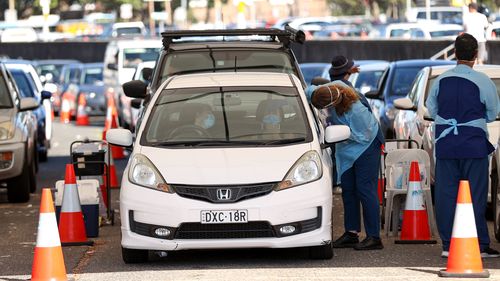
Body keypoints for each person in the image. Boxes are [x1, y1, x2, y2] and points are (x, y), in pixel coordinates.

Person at [426, 33, 500, 258]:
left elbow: (432, 110)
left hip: (446, 144)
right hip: (474, 145)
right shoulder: (484, 81)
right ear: (476, 55)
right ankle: (480, 245)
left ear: (455, 54)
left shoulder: (441, 79)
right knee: (475, 196)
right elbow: (493, 113)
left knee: (446, 196)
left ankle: (448, 245)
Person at [306, 81, 384, 250]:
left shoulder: (355, 110)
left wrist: (336, 133)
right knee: (348, 189)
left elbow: (364, 134)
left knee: (364, 189)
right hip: (346, 146)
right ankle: (352, 233)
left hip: (366, 145)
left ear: (332, 104)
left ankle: (374, 237)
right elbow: (307, 91)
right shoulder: (320, 92)